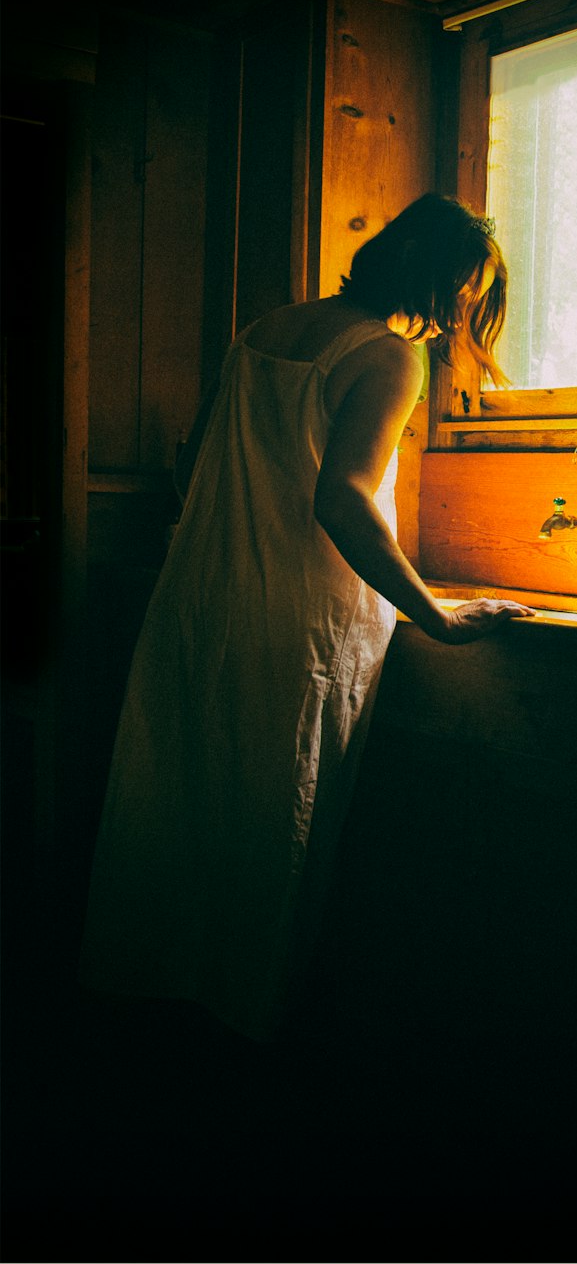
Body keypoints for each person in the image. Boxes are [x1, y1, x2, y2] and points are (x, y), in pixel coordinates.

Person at [78, 193, 534, 1043]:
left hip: (200, 597)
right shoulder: (389, 356)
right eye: (470, 292)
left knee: (178, 803)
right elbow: (344, 498)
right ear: (443, 282)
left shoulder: (266, 331)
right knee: (271, 826)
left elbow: (194, 463)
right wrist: (434, 614)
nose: (467, 312)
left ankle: (147, 1015)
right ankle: (236, 1043)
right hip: (297, 620)